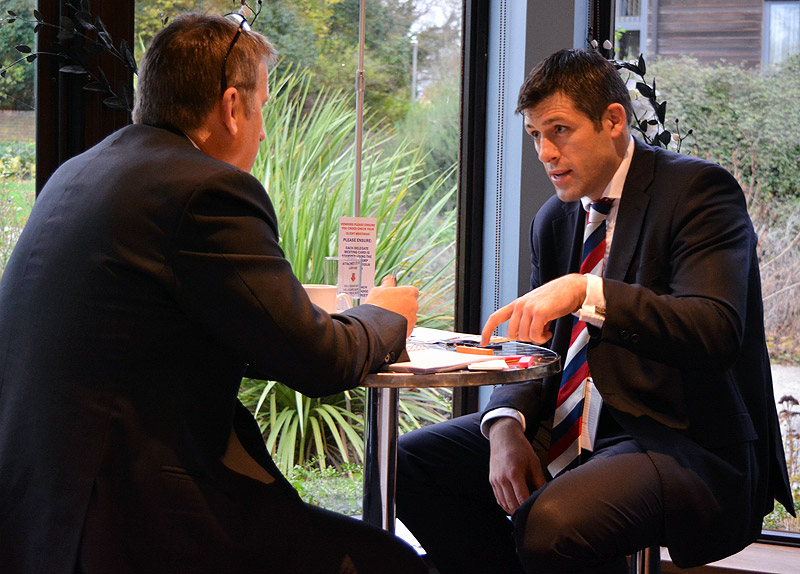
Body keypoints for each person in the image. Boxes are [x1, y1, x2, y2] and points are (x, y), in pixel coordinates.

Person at [0, 13, 428, 574]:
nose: (263, 132)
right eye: (262, 109)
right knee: (393, 563)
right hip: (129, 520)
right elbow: (320, 360)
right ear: (231, 107)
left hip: (36, 512)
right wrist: (385, 314)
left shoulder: (80, 172)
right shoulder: (205, 189)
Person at [396, 48, 794, 574]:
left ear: (613, 121)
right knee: (408, 464)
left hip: (677, 435)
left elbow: (714, 329)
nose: (545, 152)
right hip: (573, 427)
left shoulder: (697, 190)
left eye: (559, 130)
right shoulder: (554, 220)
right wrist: (505, 425)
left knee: (552, 523)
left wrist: (587, 291)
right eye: (535, 135)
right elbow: (533, 350)